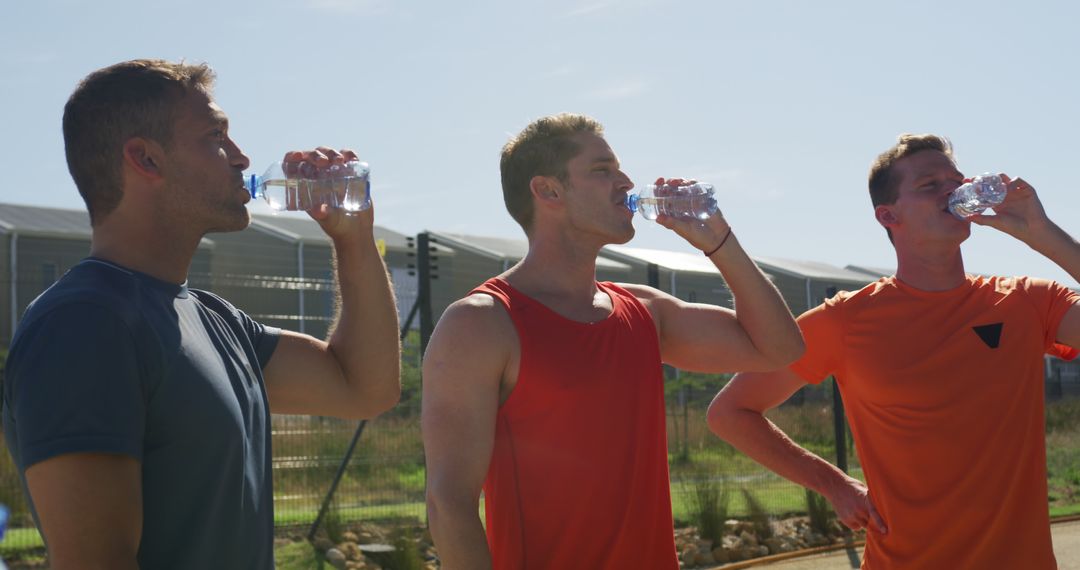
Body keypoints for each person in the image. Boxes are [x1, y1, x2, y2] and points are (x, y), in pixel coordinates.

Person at [0, 59, 402, 570]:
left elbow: (365, 389)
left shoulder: (216, 320)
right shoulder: (83, 324)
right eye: (216, 136)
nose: (242, 157)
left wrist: (354, 240)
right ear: (146, 158)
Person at [421, 113, 805, 569]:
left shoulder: (644, 311)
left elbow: (779, 349)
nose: (625, 181)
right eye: (602, 170)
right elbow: (449, 505)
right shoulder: (481, 324)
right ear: (548, 191)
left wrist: (719, 241)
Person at [708, 133, 1080, 569]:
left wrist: (1045, 235)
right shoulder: (846, 320)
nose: (952, 190)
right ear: (888, 215)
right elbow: (730, 412)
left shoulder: (1027, 302)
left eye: (955, 180)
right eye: (929, 185)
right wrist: (834, 484)